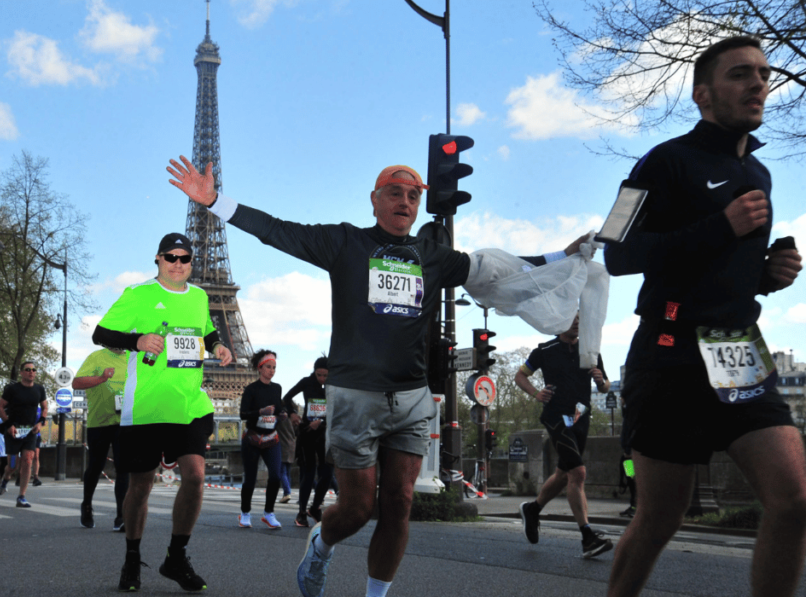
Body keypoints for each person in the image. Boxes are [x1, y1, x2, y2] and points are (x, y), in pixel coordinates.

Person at [168, 156, 585, 597]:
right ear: (374, 201)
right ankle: (322, 544)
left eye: (413, 196)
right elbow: (277, 230)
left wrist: (564, 255)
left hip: (411, 397)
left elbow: (501, 267)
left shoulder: (432, 257)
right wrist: (214, 200)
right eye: (394, 193)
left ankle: (375, 594)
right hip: (355, 397)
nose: (405, 202)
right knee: (356, 508)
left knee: (399, 503)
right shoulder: (345, 243)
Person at [603, 36, 805, 597]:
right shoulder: (662, 162)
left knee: (794, 500)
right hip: (670, 354)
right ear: (703, 94)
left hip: (738, 347)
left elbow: (721, 268)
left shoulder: (760, 173)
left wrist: (768, 273)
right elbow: (617, 254)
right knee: (660, 519)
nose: (758, 84)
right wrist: (721, 225)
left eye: (764, 74)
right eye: (740, 74)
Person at [91, 232, 232, 593]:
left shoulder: (200, 296)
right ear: (158, 259)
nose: (179, 264)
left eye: (185, 258)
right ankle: (132, 558)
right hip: (148, 408)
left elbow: (207, 331)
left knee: (196, 477)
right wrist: (135, 341)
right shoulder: (138, 295)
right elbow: (100, 333)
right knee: (140, 486)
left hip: (189, 404)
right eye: (172, 257)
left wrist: (218, 347)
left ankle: (176, 556)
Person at [515, 316, 612, 558]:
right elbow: (520, 376)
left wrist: (601, 382)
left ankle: (533, 509)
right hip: (555, 417)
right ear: (560, 320)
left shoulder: (590, 350)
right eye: (573, 318)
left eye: (581, 318)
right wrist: (537, 393)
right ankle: (587, 537)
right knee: (578, 473)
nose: (578, 322)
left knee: (562, 474)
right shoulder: (545, 350)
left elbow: (606, 385)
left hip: (581, 417)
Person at [73, 346, 132, 531]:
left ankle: (121, 516)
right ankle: (87, 505)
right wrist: (102, 378)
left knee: (123, 468)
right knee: (95, 466)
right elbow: (76, 383)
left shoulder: (133, 357)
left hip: (125, 421)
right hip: (99, 422)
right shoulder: (96, 357)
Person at [238, 349, 286, 529]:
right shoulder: (251, 389)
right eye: (268, 367)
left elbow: (279, 408)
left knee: (275, 476)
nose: (272, 371)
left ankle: (269, 513)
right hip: (253, 438)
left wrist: (282, 414)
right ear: (260, 368)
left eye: (274, 367)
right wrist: (260, 412)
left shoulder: (277, 388)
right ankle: (245, 512)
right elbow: (243, 414)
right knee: (250, 478)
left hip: (271, 438)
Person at [283, 357, 333, 528]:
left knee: (327, 473)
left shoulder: (334, 385)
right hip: (308, 432)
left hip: (326, 433)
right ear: (314, 371)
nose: (322, 379)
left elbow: (340, 408)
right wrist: (292, 413)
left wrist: (323, 421)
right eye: (319, 375)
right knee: (309, 472)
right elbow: (287, 397)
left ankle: (316, 506)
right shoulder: (306, 382)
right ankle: (302, 512)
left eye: (325, 376)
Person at [0, 361, 47, 508]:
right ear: (22, 373)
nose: (31, 372)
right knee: (12, 465)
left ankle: (21, 496)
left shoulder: (39, 389)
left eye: (33, 369)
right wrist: (8, 424)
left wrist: (40, 422)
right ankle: (5, 479)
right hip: (14, 431)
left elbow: (44, 407)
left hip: (30, 431)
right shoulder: (12, 389)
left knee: (28, 461)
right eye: (27, 369)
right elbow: (0, 406)